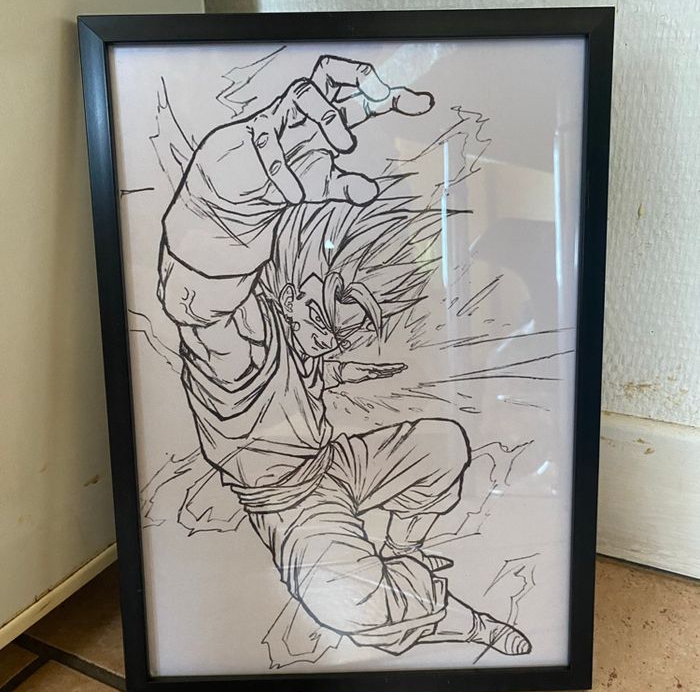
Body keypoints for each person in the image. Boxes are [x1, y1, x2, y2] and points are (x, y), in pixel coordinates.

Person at [157, 55, 531, 657]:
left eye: (345, 325)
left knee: (443, 445)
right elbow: (196, 303)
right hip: (289, 501)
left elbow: (334, 357)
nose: (332, 329)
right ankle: (462, 621)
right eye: (324, 303)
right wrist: (227, 195)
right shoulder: (245, 343)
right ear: (291, 290)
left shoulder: (310, 344)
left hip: (335, 463)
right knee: (355, 606)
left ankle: (401, 547)